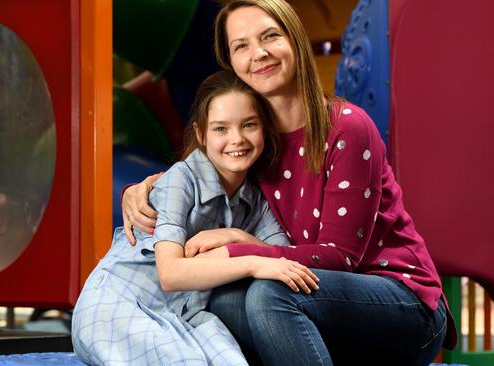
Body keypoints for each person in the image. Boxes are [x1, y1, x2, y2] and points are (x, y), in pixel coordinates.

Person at [122, 0, 458, 365]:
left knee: (269, 294)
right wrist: (143, 190)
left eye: (270, 36)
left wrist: (242, 246)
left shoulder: (346, 128)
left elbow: (339, 257)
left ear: (294, 40)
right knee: (223, 300)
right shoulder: (252, 140)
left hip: (403, 302)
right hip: (315, 302)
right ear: (232, 63)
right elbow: (199, 176)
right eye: (241, 46)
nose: (259, 53)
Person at [72, 69, 319, 366]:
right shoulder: (181, 179)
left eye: (249, 125)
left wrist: (237, 237)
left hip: (186, 315)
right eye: (220, 129)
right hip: (120, 304)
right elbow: (171, 273)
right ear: (201, 134)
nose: (237, 139)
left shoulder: (256, 199)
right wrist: (253, 261)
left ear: (264, 128)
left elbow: (282, 257)